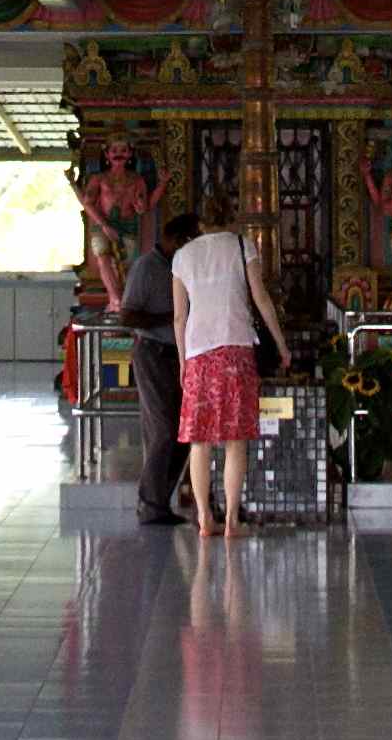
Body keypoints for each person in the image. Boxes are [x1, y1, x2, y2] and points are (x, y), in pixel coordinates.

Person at [172, 196, 295, 538]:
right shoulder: (243, 247)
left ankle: (203, 518)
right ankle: (231, 521)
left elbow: (179, 316)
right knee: (235, 441)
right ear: (232, 218)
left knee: (199, 441)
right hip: (236, 350)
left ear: (200, 223)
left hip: (198, 354)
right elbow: (262, 299)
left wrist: (183, 361)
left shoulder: (183, 257)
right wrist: (281, 344)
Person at [119, 212, 198, 525]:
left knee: (184, 431)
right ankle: (150, 503)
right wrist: (169, 318)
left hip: (181, 355)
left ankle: (161, 500)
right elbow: (128, 316)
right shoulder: (146, 268)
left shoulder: (184, 267)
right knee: (162, 429)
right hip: (153, 353)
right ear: (176, 240)